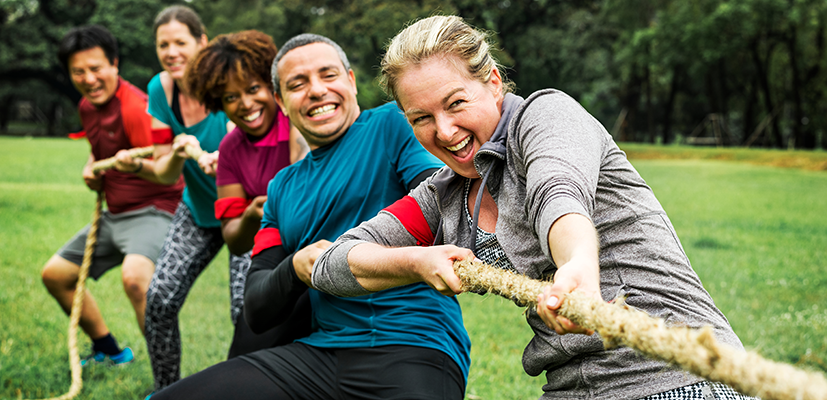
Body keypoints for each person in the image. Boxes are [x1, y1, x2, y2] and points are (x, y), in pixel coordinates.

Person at [313, 15, 754, 400]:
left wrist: (577, 266)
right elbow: (333, 265)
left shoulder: (547, 117)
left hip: (676, 377)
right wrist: (417, 260)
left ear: (493, 83)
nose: (444, 131)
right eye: (421, 118)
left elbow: (557, 195)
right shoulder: (441, 196)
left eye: (456, 103)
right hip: (573, 390)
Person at [150, 33, 470, 400]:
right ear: (281, 103)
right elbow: (256, 307)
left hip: (412, 345)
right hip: (317, 356)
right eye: (297, 84)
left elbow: (442, 207)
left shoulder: (391, 126)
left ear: (350, 81)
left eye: (328, 75)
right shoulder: (282, 188)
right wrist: (296, 268)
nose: (316, 90)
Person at [42, 24, 184, 367]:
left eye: (96, 69)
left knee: (136, 278)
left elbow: (168, 170)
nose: (89, 79)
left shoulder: (137, 107)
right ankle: (110, 351)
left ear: (114, 65)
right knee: (56, 275)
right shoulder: (88, 108)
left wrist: (131, 168)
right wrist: (93, 169)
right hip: (114, 214)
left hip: (155, 209)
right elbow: (100, 151)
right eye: (79, 71)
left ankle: (168, 382)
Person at [186, 29, 309, 357]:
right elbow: (234, 239)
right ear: (218, 102)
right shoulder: (230, 150)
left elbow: (306, 176)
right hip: (274, 253)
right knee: (246, 350)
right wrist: (253, 215)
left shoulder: (295, 119)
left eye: (253, 89)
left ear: (273, 86)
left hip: (320, 248)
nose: (245, 104)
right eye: (230, 97)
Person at [139, 5, 237, 391]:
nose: (171, 52)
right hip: (198, 211)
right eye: (163, 44)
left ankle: (243, 391)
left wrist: (225, 156)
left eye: (180, 42)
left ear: (202, 42)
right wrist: (177, 154)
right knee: (159, 300)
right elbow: (163, 171)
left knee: (245, 311)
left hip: (246, 212)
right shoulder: (160, 89)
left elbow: (245, 136)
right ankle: (167, 391)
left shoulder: (227, 82)